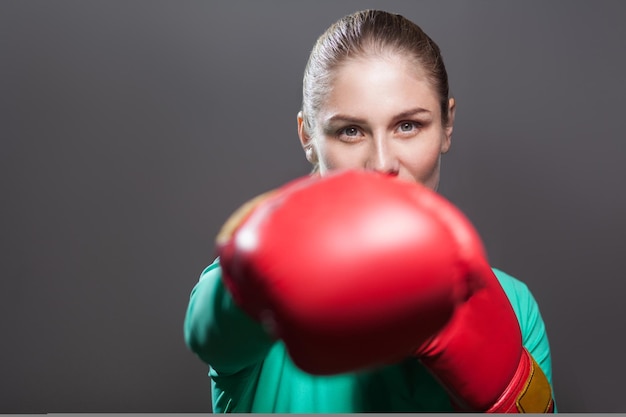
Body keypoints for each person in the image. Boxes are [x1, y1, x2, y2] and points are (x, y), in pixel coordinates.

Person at [184, 9, 556, 413]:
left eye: (408, 125)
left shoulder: (513, 304)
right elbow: (209, 330)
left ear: (447, 124)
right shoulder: (262, 276)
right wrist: (254, 284)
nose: (381, 164)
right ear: (308, 136)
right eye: (351, 131)